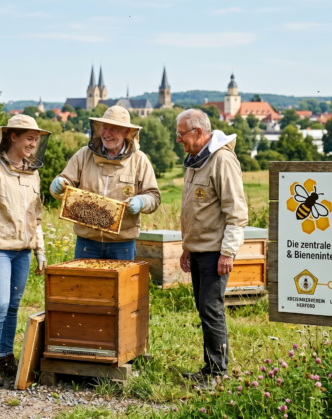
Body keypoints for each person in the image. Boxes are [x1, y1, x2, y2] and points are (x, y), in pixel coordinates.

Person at [0, 114, 50, 386]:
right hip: (0, 251)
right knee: (0, 306)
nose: (33, 143)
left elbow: (35, 217)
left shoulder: (33, 173)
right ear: (12, 137)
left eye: (36, 139)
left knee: (14, 306)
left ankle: (6, 356)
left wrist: (40, 251)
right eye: (29, 137)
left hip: (23, 252)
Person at [176, 109, 249, 382]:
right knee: (204, 307)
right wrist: (186, 246)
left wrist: (228, 252)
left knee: (211, 308)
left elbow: (237, 213)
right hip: (198, 251)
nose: (178, 139)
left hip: (215, 252)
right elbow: (194, 210)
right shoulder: (196, 161)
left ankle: (219, 373)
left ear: (198, 132)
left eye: (181, 134)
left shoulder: (222, 161)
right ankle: (209, 368)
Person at [50, 106, 160, 260]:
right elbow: (65, 184)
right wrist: (60, 184)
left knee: (120, 285)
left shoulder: (139, 160)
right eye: (104, 128)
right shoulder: (83, 155)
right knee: (84, 284)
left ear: (126, 132)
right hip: (87, 242)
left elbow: (153, 196)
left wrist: (141, 201)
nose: (107, 134)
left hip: (122, 244)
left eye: (113, 129)